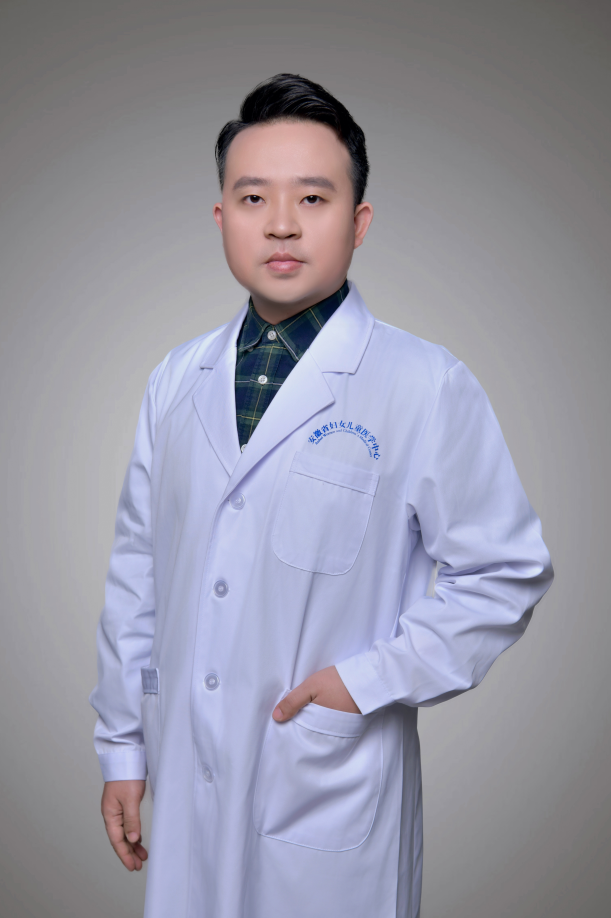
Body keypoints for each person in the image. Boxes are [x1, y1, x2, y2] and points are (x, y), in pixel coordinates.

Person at [90, 73, 553, 918]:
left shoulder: (422, 384)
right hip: (187, 777)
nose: (281, 223)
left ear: (358, 221)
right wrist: (123, 748)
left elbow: (504, 573)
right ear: (221, 217)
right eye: (253, 197)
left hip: (326, 781)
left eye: (312, 197)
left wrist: (366, 680)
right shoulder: (175, 380)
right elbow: (138, 577)